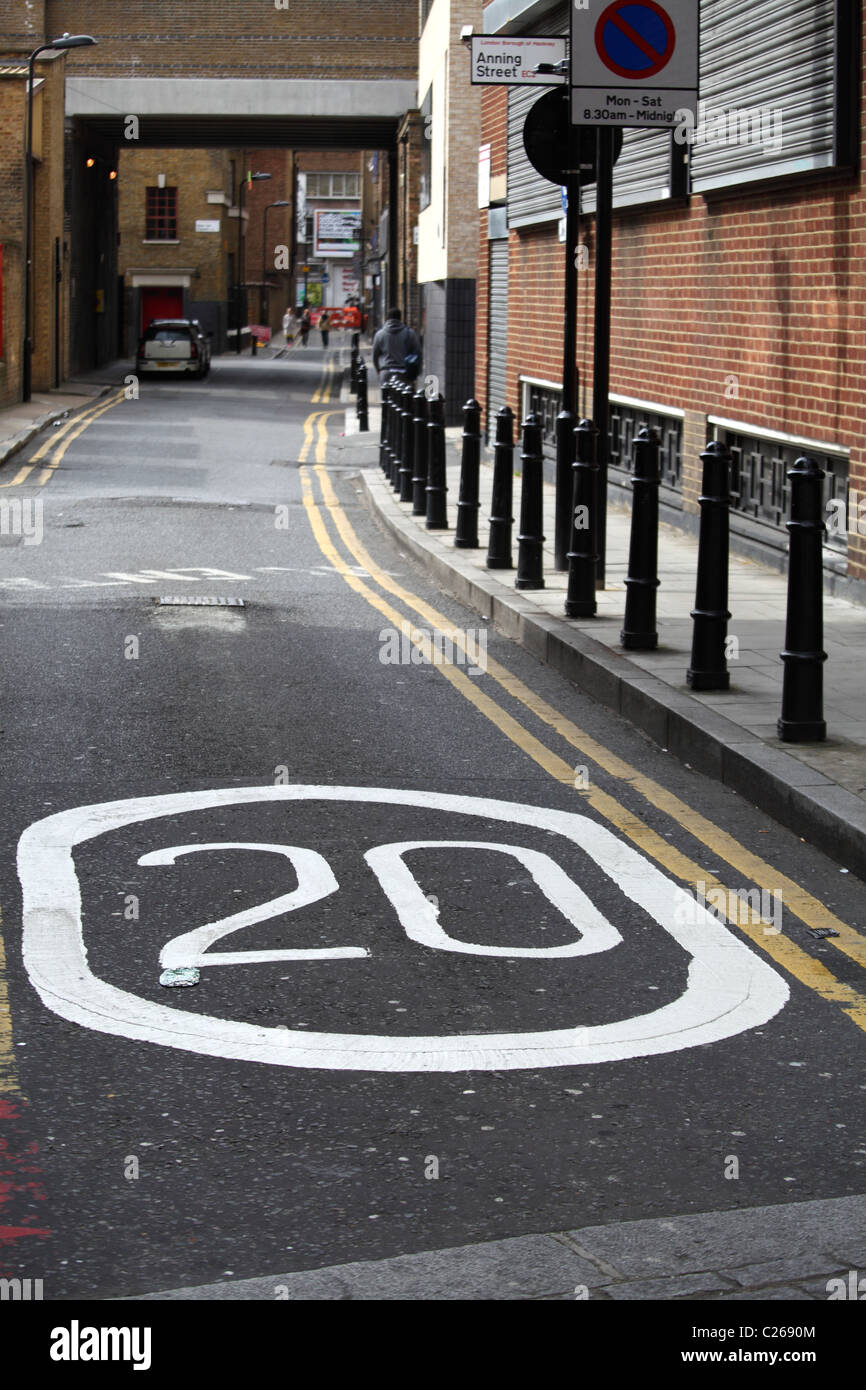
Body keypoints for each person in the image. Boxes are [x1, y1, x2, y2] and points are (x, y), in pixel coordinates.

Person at [372, 307, 421, 385]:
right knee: (405, 396)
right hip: (405, 374)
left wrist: (378, 370)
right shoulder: (410, 333)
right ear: (400, 318)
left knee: (386, 396)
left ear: (387, 318)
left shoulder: (379, 334)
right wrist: (417, 372)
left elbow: (375, 356)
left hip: (386, 372)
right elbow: (418, 353)